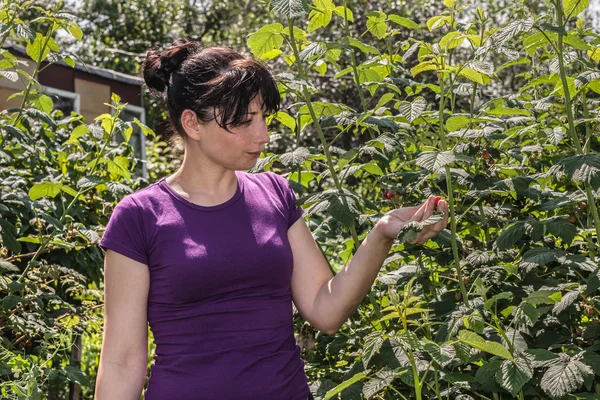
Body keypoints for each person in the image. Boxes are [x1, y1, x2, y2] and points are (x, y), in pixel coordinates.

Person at [93, 40, 449, 400]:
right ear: (192, 123)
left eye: (263, 117)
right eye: (245, 121)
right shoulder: (139, 217)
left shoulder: (274, 193)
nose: (263, 135)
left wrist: (382, 232)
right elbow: (122, 362)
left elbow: (326, 309)